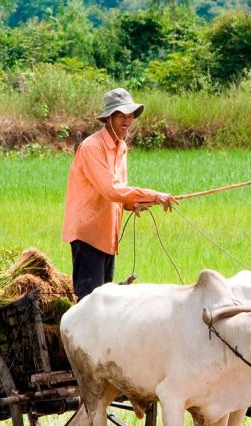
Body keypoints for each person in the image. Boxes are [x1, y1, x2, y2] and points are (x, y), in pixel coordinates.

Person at [62, 88, 177, 299]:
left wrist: (133, 204)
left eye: (130, 115)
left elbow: (119, 188)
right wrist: (152, 195)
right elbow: (110, 189)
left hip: (107, 235)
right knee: (91, 301)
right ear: (109, 118)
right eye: (121, 116)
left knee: (105, 302)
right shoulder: (91, 147)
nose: (127, 120)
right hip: (88, 234)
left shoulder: (121, 147)